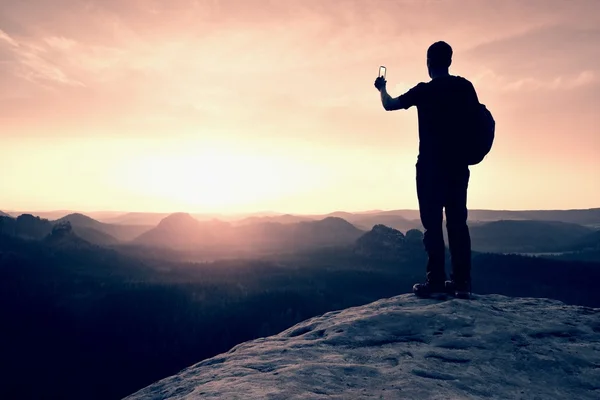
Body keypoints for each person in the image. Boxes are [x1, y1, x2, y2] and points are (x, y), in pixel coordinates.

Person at [374, 41, 479, 299]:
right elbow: (476, 119)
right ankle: (462, 283)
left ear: (429, 63)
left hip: (430, 168)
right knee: (457, 223)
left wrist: (382, 88)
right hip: (457, 166)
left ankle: (435, 281)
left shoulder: (423, 91)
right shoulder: (464, 87)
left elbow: (389, 105)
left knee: (432, 226)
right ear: (450, 61)